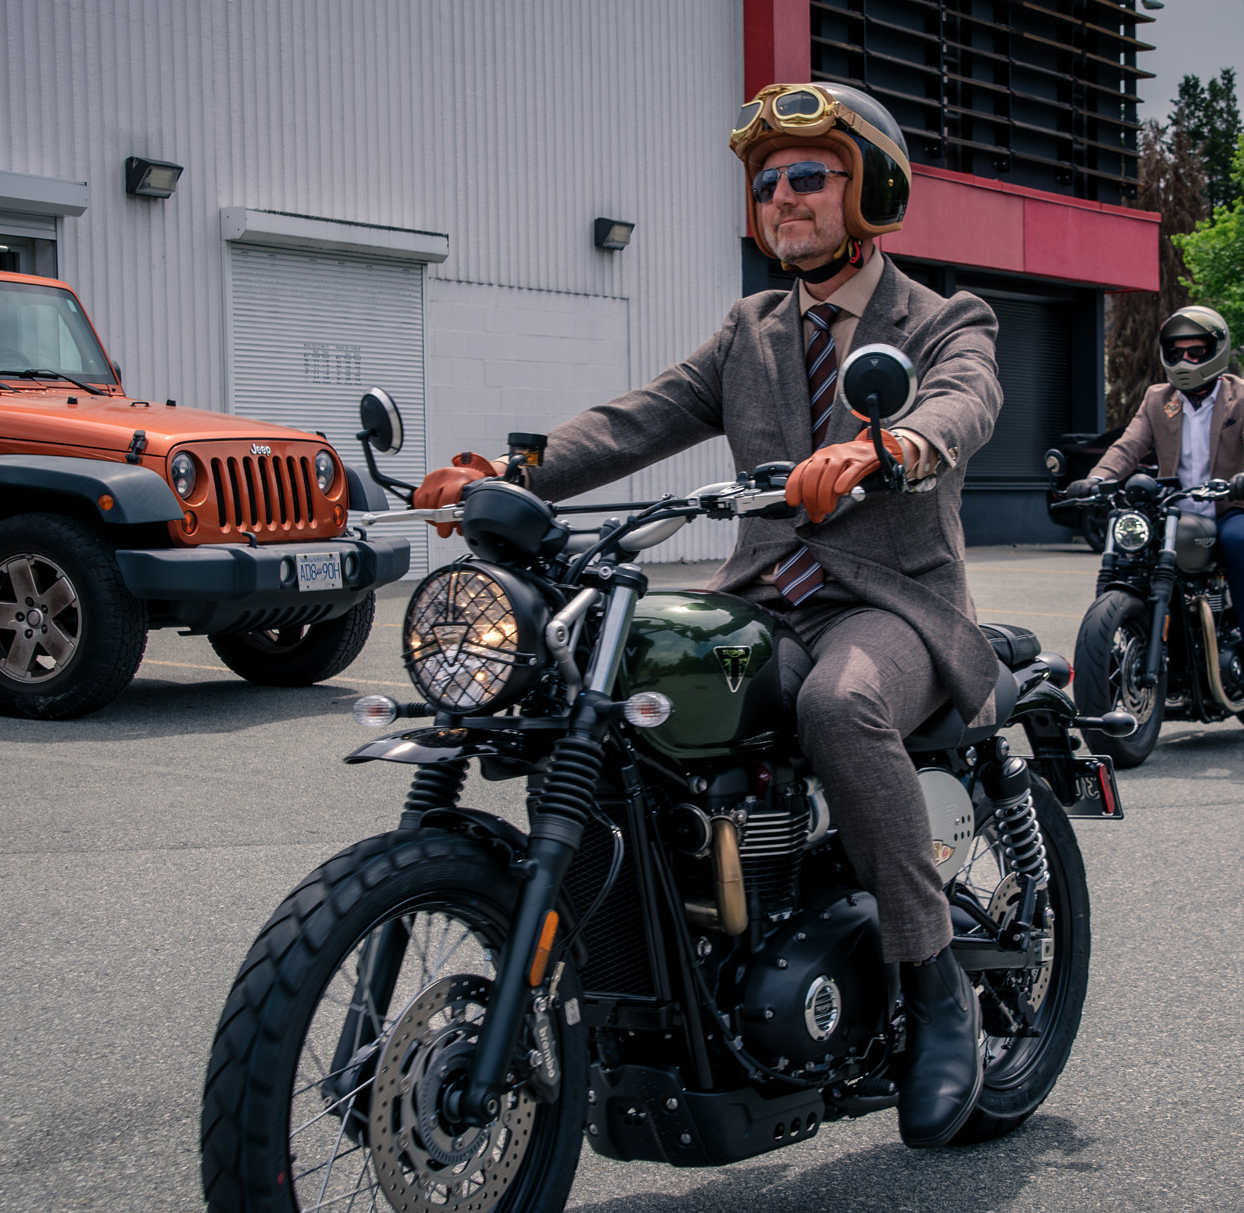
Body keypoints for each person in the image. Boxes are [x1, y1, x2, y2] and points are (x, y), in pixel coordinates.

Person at [408, 82, 1003, 1150]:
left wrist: (893, 444)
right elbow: (639, 418)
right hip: (766, 596)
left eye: (808, 176)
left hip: (892, 605)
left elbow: (965, 398)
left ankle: (932, 978)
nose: (783, 198)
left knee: (840, 707)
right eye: (767, 183)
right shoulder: (752, 329)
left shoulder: (940, 318)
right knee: (604, 684)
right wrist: (508, 472)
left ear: (870, 188)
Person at [1070, 305, 1244, 692]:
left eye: (1196, 351)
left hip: (1235, 506)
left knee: (1238, 543)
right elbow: (1128, 446)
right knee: (1134, 555)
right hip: (1175, 512)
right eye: (1177, 351)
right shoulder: (1159, 398)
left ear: (1216, 350)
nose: (1185, 360)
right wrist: (1097, 478)